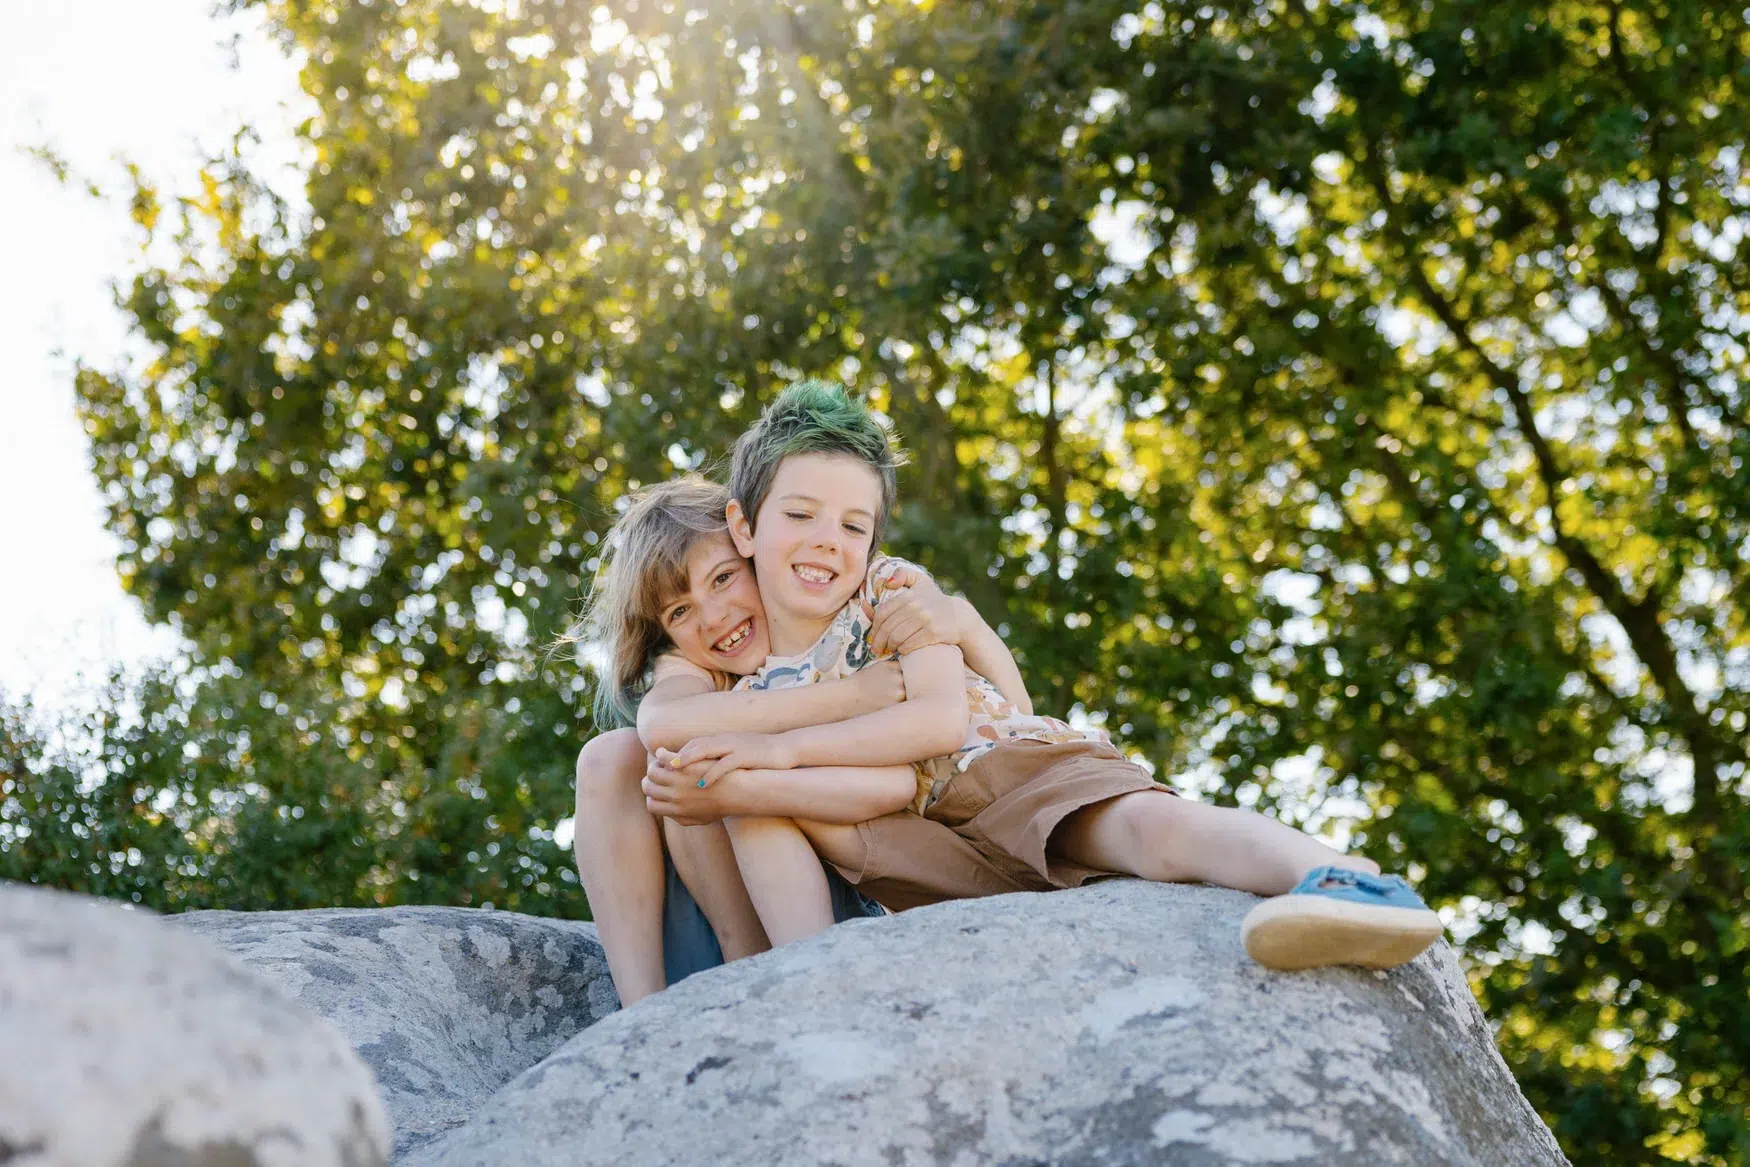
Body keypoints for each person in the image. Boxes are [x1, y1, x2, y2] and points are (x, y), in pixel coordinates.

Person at [647, 381, 1445, 971]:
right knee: (741, 789)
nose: (828, 540)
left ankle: (1348, 881)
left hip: (1002, 770)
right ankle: (803, 979)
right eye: (801, 514)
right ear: (744, 526)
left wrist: (778, 756)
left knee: (1151, 835)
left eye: (853, 524)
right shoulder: (746, 681)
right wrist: (745, 766)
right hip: (922, 838)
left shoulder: (889, 591)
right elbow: (669, 730)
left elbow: (935, 723)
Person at [570, 475, 1032, 1004]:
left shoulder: (847, 620)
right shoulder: (697, 667)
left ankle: (772, 984)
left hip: (835, 897)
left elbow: (1001, 723)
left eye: (723, 579)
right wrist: (850, 699)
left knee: (731, 777)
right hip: (716, 927)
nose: (713, 617)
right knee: (611, 756)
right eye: (680, 612)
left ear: (756, 556)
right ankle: (640, 1013)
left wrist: (963, 623)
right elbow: (661, 725)